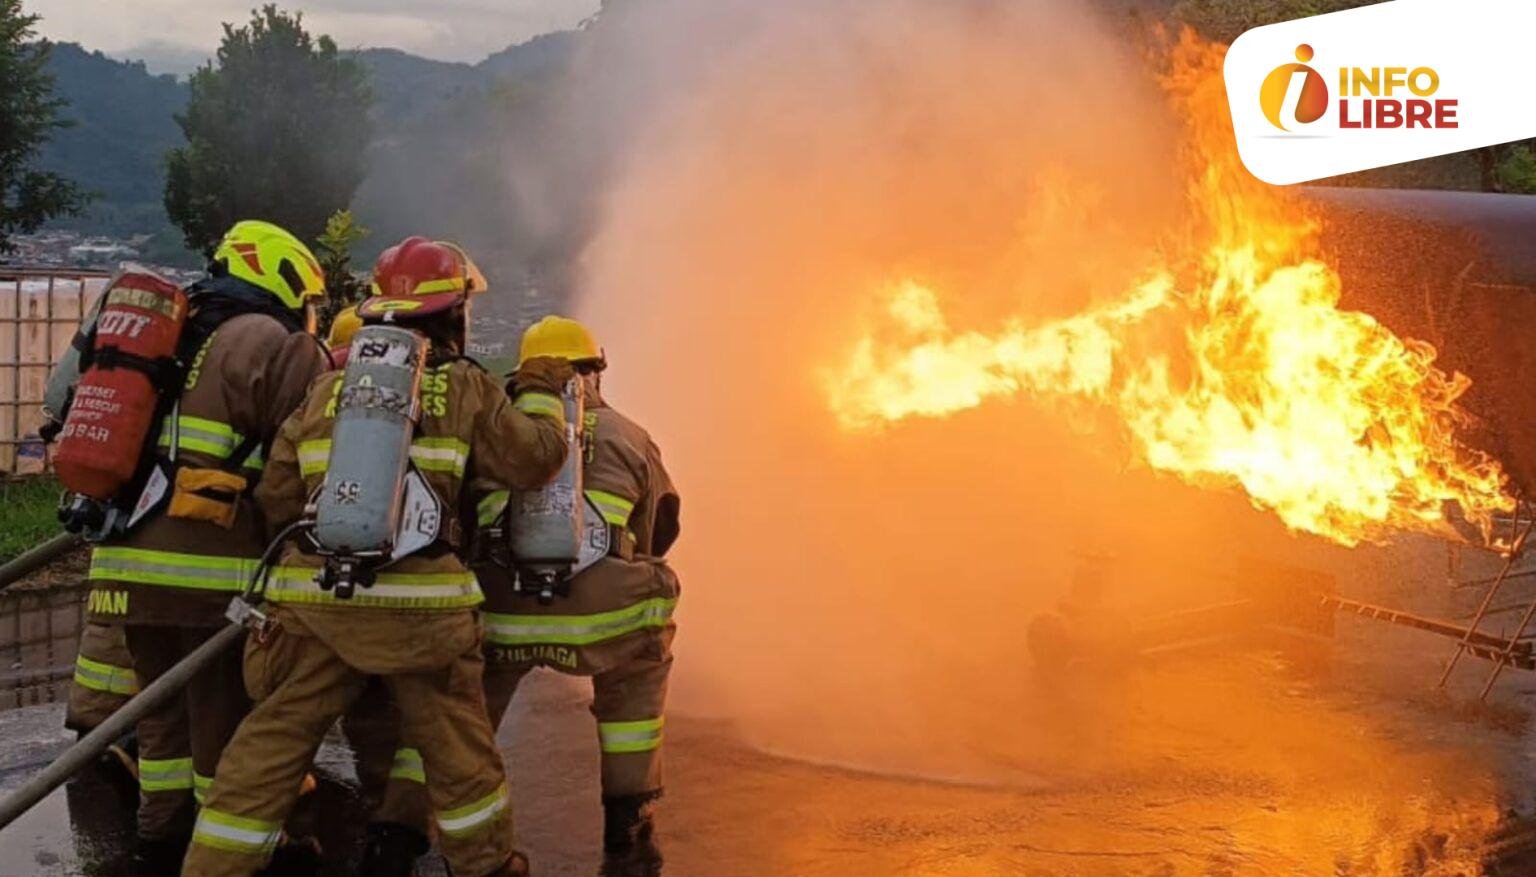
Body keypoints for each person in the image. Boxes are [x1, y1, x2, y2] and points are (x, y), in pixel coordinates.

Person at [180, 237, 573, 877]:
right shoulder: (466, 385)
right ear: (453, 314)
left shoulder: (325, 390)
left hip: (316, 601)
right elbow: (535, 461)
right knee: (458, 751)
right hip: (422, 611)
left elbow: (278, 495)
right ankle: (487, 864)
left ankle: (211, 865)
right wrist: (539, 394)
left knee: (270, 743)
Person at [366, 316, 681, 877]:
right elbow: (660, 529)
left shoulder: (499, 427)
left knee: (450, 714)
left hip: (499, 616)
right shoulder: (631, 436)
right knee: (641, 656)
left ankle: (397, 832)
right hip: (603, 621)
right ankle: (627, 830)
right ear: (594, 373)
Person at [81, 220, 329, 873]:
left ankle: (159, 839)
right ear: (285, 279)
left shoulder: (165, 333)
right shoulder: (274, 341)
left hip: (123, 565)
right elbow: (299, 462)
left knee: (160, 723)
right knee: (229, 727)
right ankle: (238, 855)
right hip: (206, 574)